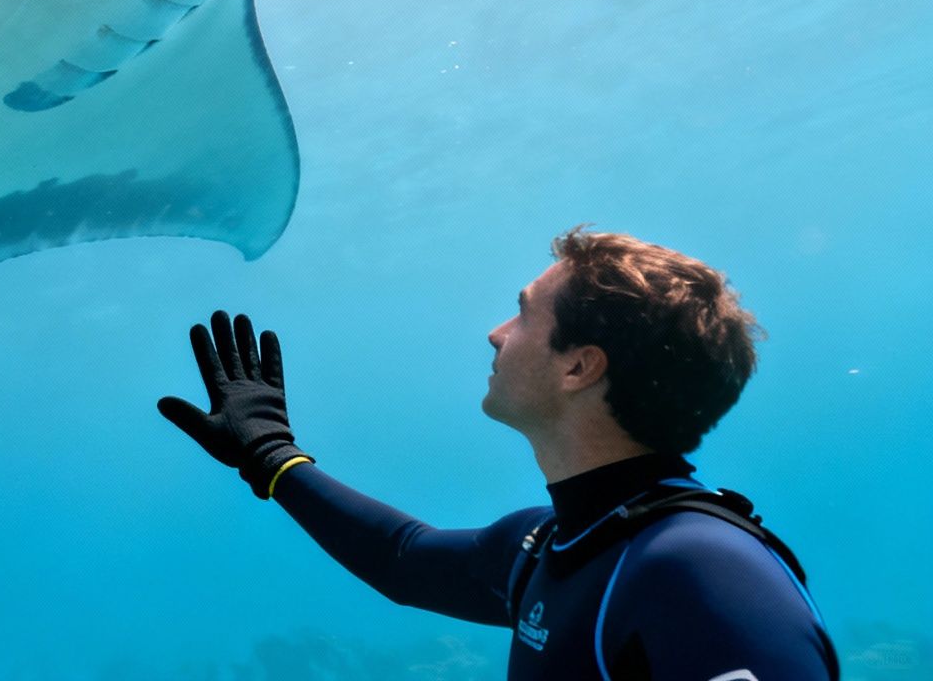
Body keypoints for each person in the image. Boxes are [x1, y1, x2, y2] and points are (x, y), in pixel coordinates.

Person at [160, 227, 837, 680]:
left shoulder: (700, 573)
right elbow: (404, 559)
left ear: (579, 368)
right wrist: (270, 454)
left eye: (523, 314)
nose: (495, 333)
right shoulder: (558, 546)